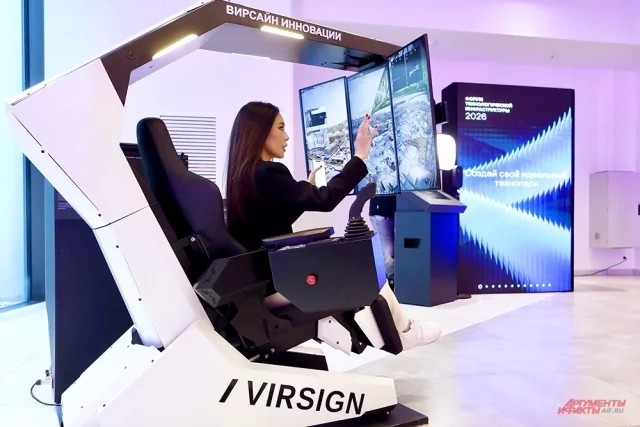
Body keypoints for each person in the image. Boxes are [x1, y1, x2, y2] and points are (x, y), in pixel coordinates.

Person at [225, 101, 441, 351]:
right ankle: (404, 331)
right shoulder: (269, 172)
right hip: (279, 281)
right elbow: (326, 200)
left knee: (358, 267)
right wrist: (359, 156)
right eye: (281, 128)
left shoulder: (245, 175)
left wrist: (303, 192)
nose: (287, 137)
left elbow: (272, 220)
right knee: (364, 267)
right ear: (261, 132)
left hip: (260, 282)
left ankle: (400, 329)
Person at [369, 195, 396, 288]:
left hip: (398, 209)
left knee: (397, 249)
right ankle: (391, 285)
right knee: (388, 253)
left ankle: (394, 282)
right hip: (382, 211)